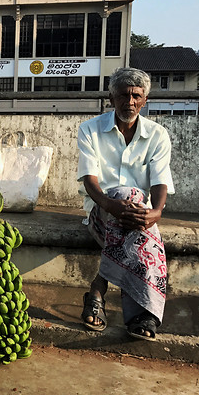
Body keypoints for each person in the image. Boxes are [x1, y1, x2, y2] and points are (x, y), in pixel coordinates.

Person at [77, 67, 174, 341]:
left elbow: (160, 180)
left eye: (136, 96)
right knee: (125, 195)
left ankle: (98, 288)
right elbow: (89, 179)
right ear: (111, 98)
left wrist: (155, 212)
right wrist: (109, 204)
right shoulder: (89, 130)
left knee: (139, 217)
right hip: (100, 212)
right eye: (123, 95)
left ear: (145, 100)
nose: (129, 102)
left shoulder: (158, 135)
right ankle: (144, 311)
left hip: (137, 218)